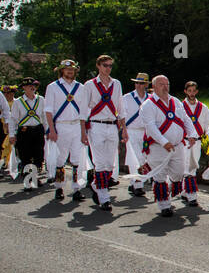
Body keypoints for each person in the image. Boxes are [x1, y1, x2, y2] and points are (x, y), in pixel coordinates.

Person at [79, 54, 127, 211]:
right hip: (96, 125)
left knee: (110, 163)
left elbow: (120, 107)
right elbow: (84, 109)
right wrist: (83, 132)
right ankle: (105, 199)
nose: (108, 68)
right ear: (98, 66)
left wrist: (124, 130)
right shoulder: (89, 85)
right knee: (100, 163)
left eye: (110, 65)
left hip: (112, 125)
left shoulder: (116, 84)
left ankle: (96, 185)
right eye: (105, 65)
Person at [138, 75, 188, 218]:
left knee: (179, 174)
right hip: (158, 147)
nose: (165, 86)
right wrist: (163, 141)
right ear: (153, 87)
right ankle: (164, 205)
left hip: (177, 146)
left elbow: (185, 119)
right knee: (160, 176)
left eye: (167, 84)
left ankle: (169, 188)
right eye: (161, 84)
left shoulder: (176, 101)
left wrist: (191, 134)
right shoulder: (148, 105)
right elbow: (150, 126)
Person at [44, 60, 89, 202]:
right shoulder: (53, 87)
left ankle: (76, 188)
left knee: (77, 158)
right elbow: (48, 110)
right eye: (67, 69)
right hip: (60, 126)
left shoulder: (81, 87)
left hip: (76, 125)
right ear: (62, 71)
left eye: (72, 69)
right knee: (60, 158)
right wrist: (52, 130)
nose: (70, 71)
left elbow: (83, 112)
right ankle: (59, 187)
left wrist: (83, 132)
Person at [8, 78, 48, 191]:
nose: (32, 87)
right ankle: (27, 181)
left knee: (38, 155)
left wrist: (48, 131)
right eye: (29, 86)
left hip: (38, 130)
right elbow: (13, 119)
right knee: (25, 156)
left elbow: (44, 117)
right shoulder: (18, 102)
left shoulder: (41, 100)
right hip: (24, 131)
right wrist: (12, 134)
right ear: (24, 88)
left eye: (34, 85)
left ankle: (34, 177)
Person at [180, 81, 209, 208]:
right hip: (184, 141)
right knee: (187, 167)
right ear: (185, 91)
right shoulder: (180, 107)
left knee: (193, 166)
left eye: (194, 91)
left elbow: (207, 125)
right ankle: (191, 195)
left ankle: (184, 191)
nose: (192, 93)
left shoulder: (204, 108)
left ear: (197, 92)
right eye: (189, 91)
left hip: (197, 141)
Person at [123, 73, 152, 197]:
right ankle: (138, 185)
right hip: (132, 130)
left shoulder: (151, 98)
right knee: (135, 159)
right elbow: (122, 116)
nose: (138, 85)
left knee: (145, 158)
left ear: (146, 85)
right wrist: (123, 131)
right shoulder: (127, 98)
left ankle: (133, 182)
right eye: (136, 83)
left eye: (141, 83)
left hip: (146, 132)